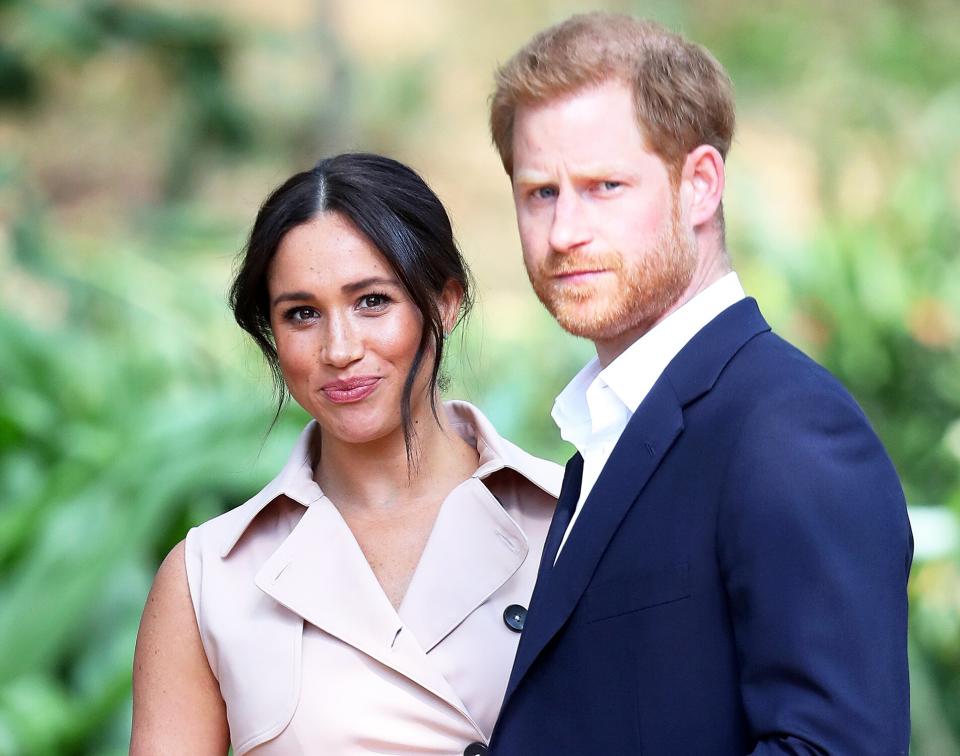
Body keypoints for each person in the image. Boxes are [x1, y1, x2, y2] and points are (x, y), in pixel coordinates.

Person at [486, 13, 912, 754]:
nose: (563, 233)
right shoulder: (613, 427)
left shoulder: (788, 430)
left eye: (604, 186)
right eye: (540, 193)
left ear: (701, 186)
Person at [130, 153, 560, 755]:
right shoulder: (210, 578)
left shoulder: (572, 520)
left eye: (372, 301)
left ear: (444, 303)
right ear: (273, 337)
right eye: (302, 314)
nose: (339, 348)